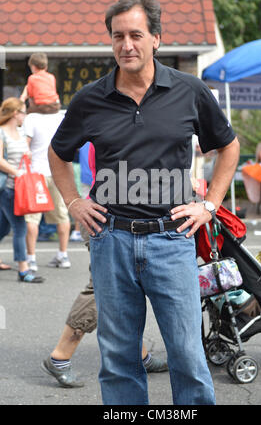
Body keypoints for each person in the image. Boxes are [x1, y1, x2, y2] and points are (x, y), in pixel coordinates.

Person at [48, 0, 240, 405]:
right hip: (110, 240)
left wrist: (209, 205)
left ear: (156, 38)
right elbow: (58, 152)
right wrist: (74, 202)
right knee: (118, 358)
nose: (126, 45)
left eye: (136, 35)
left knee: (188, 354)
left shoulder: (189, 91)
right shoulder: (90, 99)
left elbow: (229, 147)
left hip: (171, 240)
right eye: (118, 36)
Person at [42, 141, 168, 388]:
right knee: (100, 290)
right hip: (106, 218)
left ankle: (140, 355)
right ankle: (59, 356)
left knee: (128, 287)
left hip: (115, 217)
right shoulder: (104, 123)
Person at [0, 97, 44, 283]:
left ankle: (23, 268)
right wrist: (17, 172)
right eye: (23, 112)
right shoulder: (1, 133)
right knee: (20, 227)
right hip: (7, 187)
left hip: (20, 187)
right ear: (15, 113)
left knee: (4, 226)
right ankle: (23, 269)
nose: (25, 116)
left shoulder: (20, 132)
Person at [23, 111, 71, 271]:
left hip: (36, 173)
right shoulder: (62, 115)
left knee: (32, 217)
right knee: (62, 214)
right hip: (57, 171)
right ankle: (63, 255)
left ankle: (31, 259)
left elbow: (25, 146)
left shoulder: (32, 118)